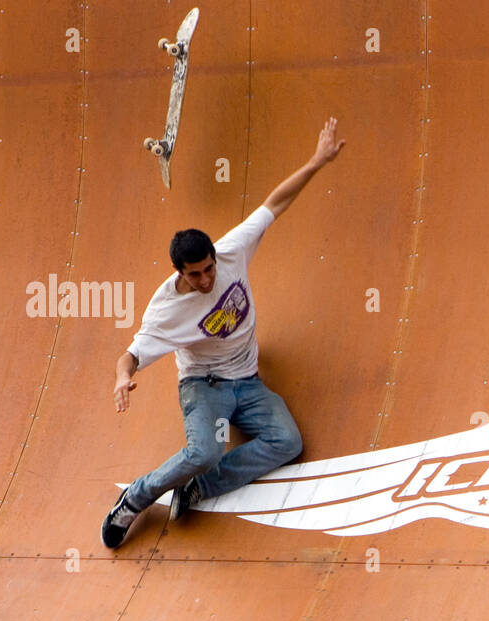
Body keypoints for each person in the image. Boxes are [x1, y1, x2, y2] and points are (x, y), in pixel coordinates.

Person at [101, 117, 345, 548]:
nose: (206, 279)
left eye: (209, 269)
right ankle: (135, 499)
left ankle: (198, 489)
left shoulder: (232, 250)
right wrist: (122, 377)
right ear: (180, 272)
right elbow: (132, 354)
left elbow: (276, 202)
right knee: (205, 451)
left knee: (287, 441)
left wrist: (317, 161)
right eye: (195, 275)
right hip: (205, 387)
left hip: (248, 383)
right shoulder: (167, 308)